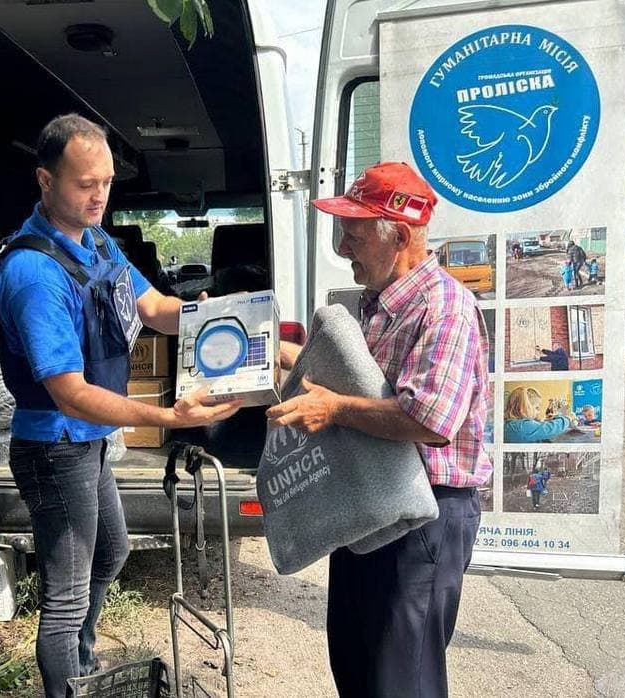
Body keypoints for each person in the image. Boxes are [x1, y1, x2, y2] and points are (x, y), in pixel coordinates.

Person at [0, 114, 241, 697]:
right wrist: (168, 418)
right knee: (67, 594)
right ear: (45, 181)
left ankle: (80, 665)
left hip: (89, 441)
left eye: (105, 181)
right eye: (84, 183)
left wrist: (222, 315)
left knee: (114, 552)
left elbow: (154, 308)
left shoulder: (96, 241)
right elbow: (69, 392)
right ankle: (69, 682)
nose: (99, 194)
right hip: (54, 447)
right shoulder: (34, 272)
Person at [266, 162, 491, 698]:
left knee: (401, 681)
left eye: (354, 233)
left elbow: (430, 420)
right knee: (358, 665)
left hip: (425, 519)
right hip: (372, 504)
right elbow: (369, 383)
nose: (343, 248)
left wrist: (335, 410)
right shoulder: (379, 303)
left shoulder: (444, 308)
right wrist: (274, 355)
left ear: (403, 236)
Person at [503, 386, 576, 443]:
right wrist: (568, 418)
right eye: (536, 408)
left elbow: (535, 428)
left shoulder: (511, 425)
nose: (539, 411)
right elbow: (550, 428)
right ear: (523, 409)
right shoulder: (521, 427)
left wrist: (541, 421)